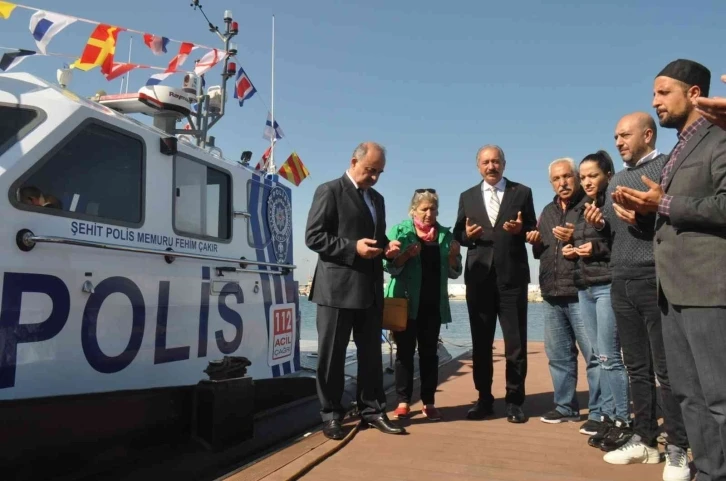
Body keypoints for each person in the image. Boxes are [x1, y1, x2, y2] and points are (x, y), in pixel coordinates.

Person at [615, 59, 724, 481]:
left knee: (719, 396)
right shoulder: (681, 145)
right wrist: (644, 216)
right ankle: (708, 470)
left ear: (694, 93)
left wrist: (661, 204)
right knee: (688, 394)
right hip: (672, 290)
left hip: (708, 288)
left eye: (663, 92)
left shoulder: (719, 139)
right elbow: (678, 217)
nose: (655, 100)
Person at [584, 111, 689, 480]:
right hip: (621, 278)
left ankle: (678, 447)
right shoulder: (615, 182)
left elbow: (672, 221)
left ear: (647, 134)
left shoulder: (664, 168)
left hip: (655, 277)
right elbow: (614, 238)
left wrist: (641, 216)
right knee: (635, 367)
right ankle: (645, 440)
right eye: (615, 136)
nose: (618, 142)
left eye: (624, 135)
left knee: (666, 369)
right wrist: (600, 227)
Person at [305, 141, 405, 440]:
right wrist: (353, 248)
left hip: (371, 288)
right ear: (353, 162)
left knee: (371, 355)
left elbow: (375, 236)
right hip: (337, 288)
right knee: (332, 356)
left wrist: (387, 247)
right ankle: (331, 414)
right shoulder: (330, 190)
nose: (374, 177)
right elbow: (314, 237)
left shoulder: (377, 198)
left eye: (379, 172)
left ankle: (372, 410)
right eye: (369, 170)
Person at [453, 144, 537, 424]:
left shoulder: (522, 192)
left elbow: (532, 229)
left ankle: (514, 401)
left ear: (504, 163)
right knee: (481, 344)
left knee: (515, 344)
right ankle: (484, 400)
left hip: (512, 278)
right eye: (486, 162)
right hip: (479, 279)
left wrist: (521, 231)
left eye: (496, 161)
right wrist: (465, 235)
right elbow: (458, 235)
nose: (492, 166)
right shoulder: (467, 196)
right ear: (478, 166)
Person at [526, 158, 602, 430]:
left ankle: (598, 413)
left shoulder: (589, 206)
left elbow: (603, 243)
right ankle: (565, 407)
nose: (563, 183)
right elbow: (542, 251)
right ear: (551, 183)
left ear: (577, 177)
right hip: (551, 293)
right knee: (559, 356)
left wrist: (575, 240)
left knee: (593, 355)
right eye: (557, 179)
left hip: (581, 290)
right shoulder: (547, 211)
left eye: (567, 177)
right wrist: (535, 242)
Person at [383, 189, 462, 421]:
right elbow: (387, 267)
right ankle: (403, 401)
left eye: (433, 209)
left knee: (429, 355)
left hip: (433, 305)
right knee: (404, 354)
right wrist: (404, 256)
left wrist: (453, 257)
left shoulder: (445, 236)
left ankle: (429, 402)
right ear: (413, 210)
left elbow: (455, 272)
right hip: (405, 305)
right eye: (423, 209)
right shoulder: (400, 231)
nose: (428, 213)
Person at [571, 151, 630, 447]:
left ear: (608, 174)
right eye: (583, 177)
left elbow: (620, 242)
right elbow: (589, 243)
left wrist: (597, 236)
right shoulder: (584, 206)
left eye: (593, 175)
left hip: (607, 285)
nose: (587, 181)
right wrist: (572, 247)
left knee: (609, 356)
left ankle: (624, 419)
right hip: (586, 286)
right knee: (597, 354)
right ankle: (607, 414)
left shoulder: (613, 201)